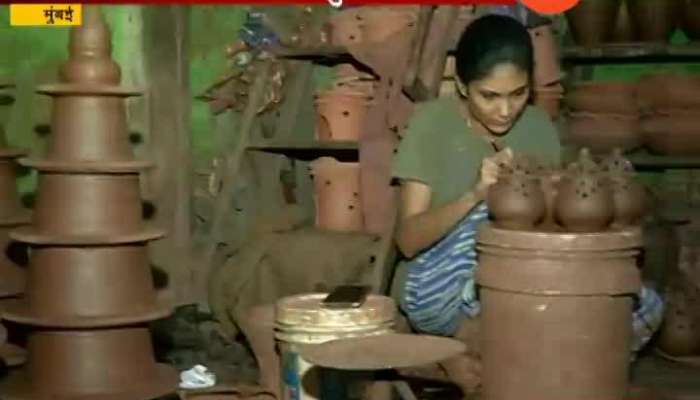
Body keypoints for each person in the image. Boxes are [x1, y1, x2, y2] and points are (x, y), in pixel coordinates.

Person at [390, 14, 664, 395]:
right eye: (490, 96)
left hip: (526, 282)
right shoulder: (431, 125)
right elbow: (407, 240)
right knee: (494, 215)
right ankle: (532, 351)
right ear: (463, 87)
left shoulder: (537, 126)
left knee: (643, 305)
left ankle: (557, 362)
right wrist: (475, 194)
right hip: (440, 287)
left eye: (517, 94)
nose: (505, 110)